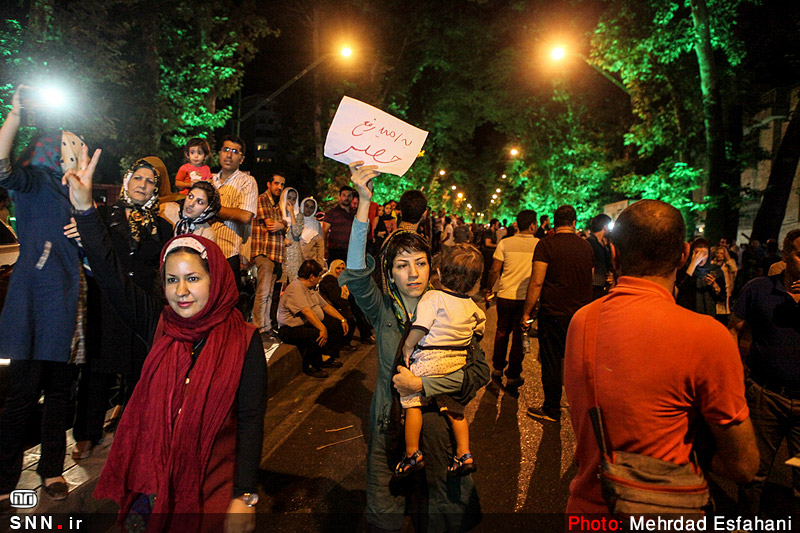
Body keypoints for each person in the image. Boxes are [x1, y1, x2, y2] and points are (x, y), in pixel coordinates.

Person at [63, 147, 266, 531]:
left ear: (216, 279)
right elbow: (110, 276)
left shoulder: (244, 340)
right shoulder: (161, 323)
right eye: (172, 280)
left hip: (212, 490)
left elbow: (251, 420)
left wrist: (244, 495)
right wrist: (86, 210)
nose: (181, 291)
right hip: (150, 487)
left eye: (193, 278)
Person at [563, 199, 758, 513]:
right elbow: (745, 465)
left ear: (613, 253)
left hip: (591, 510)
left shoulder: (582, 321)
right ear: (683, 255)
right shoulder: (707, 335)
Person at [341, 162, 488, 532]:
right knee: (386, 515)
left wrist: (425, 386)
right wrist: (364, 202)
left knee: (440, 516)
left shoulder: (452, 306)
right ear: (389, 272)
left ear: (431, 267)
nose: (413, 273)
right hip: (388, 428)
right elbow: (357, 273)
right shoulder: (381, 310)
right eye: (402, 265)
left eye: (420, 263)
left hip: (438, 432)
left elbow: (478, 372)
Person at [0, 86, 85, 503]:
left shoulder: (78, 194)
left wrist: (86, 226)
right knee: (21, 396)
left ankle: (51, 469)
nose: (74, 151)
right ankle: (3, 478)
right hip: (34, 302)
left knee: (59, 393)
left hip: (69, 304)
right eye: (68, 146)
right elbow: (0, 167)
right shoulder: (30, 183)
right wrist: (14, 117)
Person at [69, 156, 174, 461]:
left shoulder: (163, 227)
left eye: (150, 181)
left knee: (141, 368)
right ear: (127, 181)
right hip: (108, 300)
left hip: (144, 304)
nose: (143, 185)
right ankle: (87, 434)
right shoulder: (102, 215)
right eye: (138, 178)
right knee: (98, 368)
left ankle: (132, 426)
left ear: (156, 188)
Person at [397, 244, 485, 478]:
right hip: (456, 362)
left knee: (412, 401)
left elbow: (421, 326)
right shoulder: (471, 305)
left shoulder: (433, 297)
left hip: (429, 359)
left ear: (439, 273)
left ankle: (412, 453)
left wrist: (408, 345)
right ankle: (464, 453)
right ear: (474, 282)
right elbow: (480, 326)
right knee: (455, 409)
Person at [731, 229, 800, 515]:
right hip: (766, 395)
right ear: (785, 255)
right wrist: (736, 376)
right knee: (754, 473)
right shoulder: (758, 288)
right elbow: (734, 329)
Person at [521, 204, 593, 423]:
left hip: (553, 312)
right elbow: (589, 278)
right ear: (574, 223)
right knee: (576, 362)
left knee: (552, 362)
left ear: (553, 222)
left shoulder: (546, 245)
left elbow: (537, 281)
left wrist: (527, 312)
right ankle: (580, 407)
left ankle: (552, 408)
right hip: (580, 313)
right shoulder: (586, 247)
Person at [485, 209, 539, 394]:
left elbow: (494, 270)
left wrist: (489, 288)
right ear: (532, 225)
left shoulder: (505, 243)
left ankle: (497, 369)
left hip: (505, 296)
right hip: (527, 299)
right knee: (519, 337)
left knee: (501, 332)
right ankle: (514, 375)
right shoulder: (540, 245)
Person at [277, 259, 348, 378]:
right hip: (289, 328)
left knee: (335, 324)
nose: (320, 278)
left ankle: (327, 357)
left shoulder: (310, 289)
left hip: (303, 323)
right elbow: (306, 312)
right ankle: (312, 366)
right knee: (316, 334)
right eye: (319, 276)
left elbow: (325, 306)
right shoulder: (296, 288)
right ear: (311, 277)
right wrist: (322, 328)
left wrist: (342, 319)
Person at [211, 136, 258, 284]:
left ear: (241, 159)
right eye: (226, 150)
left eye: (235, 152)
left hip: (230, 253)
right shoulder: (209, 182)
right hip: (205, 250)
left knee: (226, 301)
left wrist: (212, 209)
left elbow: (245, 216)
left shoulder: (247, 182)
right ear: (220, 153)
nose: (229, 155)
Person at [250, 173, 287, 336]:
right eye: (277, 184)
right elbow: (271, 225)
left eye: (282, 185)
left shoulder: (278, 205)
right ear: (268, 184)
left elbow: (284, 225)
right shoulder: (262, 199)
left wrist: (283, 224)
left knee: (270, 293)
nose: (279, 187)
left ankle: (266, 325)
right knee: (263, 292)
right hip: (264, 252)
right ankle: (258, 326)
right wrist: (283, 224)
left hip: (275, 254)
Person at [675, 237, 726, 319]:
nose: (701, 257)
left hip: (707, 316)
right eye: (697, 252)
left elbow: (722, 297)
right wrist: (693, 264)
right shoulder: (685, 269)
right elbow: (680, 288)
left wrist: (714, 285)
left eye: (704, 254)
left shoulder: (715, 271)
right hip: (687, 315)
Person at [318, 259, 358, 349]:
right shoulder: (329, 279)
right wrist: (346, 305)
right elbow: (335, 298)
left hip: (335, 306)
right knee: (351, 318)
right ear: (332, 268)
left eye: (343, 268)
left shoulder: (340, 280)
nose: (340, 271)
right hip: (330, 308)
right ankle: (344, 344)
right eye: (338, 268)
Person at [322, 185, 355, 263]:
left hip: (351, 250)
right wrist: (325, 248)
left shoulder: (354, 214)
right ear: (339, 197)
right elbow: (324, 231)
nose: (346, 198)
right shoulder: (332, 213)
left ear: (352, 198)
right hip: (335, 251)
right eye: (344, 195)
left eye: (349, 195)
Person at [587, 213, 614, 300]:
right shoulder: (590, 243)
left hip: (603, 284)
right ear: (605, 226)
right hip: (594, 285)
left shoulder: (604, 244)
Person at [280, 187, 304, 284]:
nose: (291, 201)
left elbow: (296, 233)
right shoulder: (277, 212)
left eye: (294, 199)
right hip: (280, 252)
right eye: (289, 197)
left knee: (294, 284)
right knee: (279, 284)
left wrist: (292, 214)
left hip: (294, 254)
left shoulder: (299, 215)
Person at [710, 244, 737, 323]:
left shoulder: (727, 265)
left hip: (726, 289)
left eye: (721, 253)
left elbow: (734, 270)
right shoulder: (712, 264)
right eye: (718, 253)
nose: (719, 255)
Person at [299, 196, 325, 267]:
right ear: (302, 206)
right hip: (296, 261)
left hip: (312, 264)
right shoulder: (295, 222)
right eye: (306, 206)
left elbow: (320, 247)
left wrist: (320, 265)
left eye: (311, 207)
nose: (308, 209)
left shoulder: (316, 225)